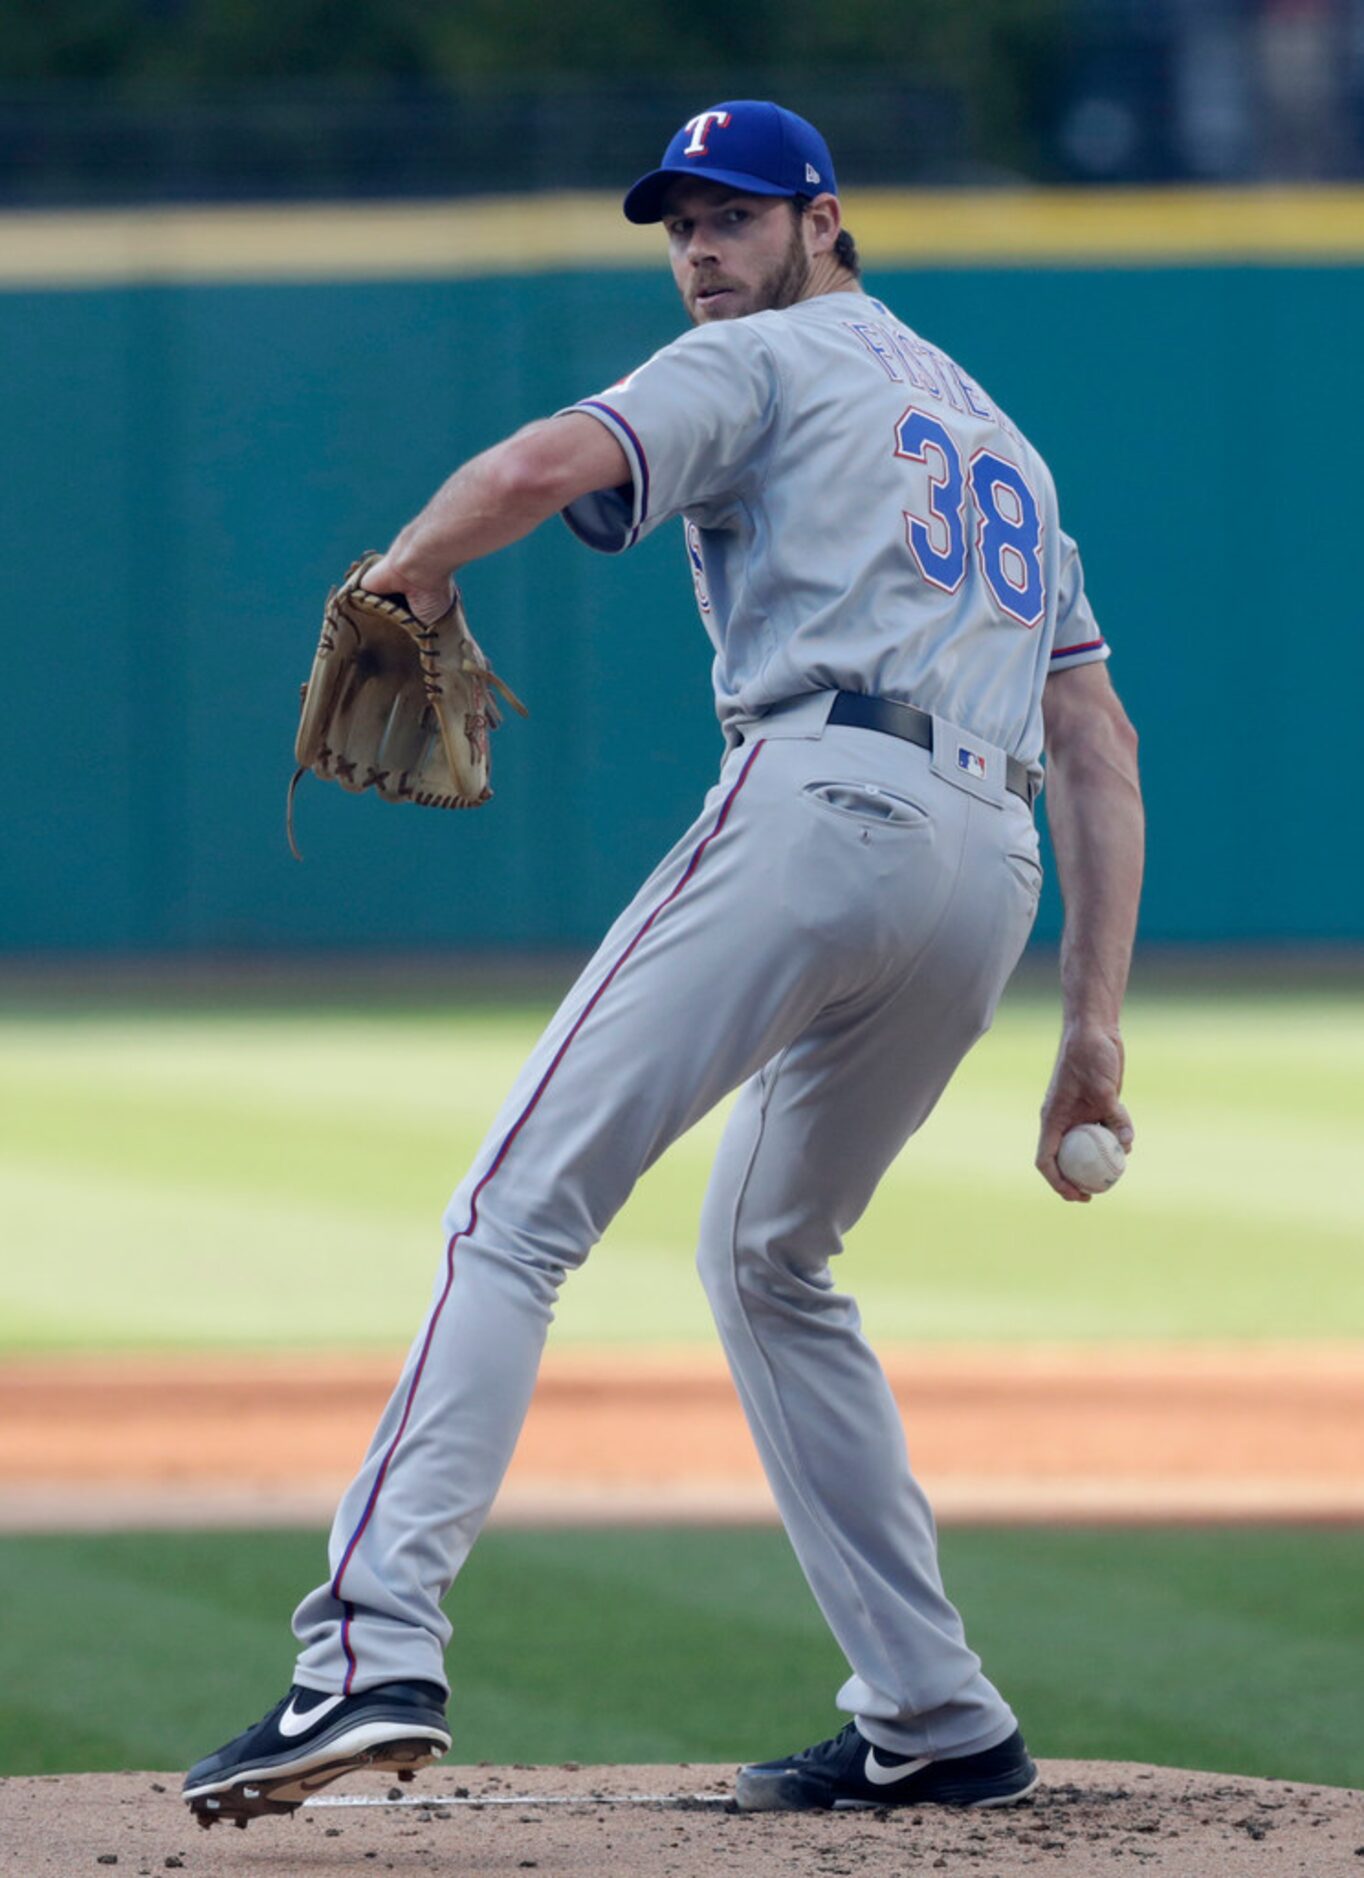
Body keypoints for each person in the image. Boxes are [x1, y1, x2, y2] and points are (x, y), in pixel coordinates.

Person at [184, 100, 1144, 1825]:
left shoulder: (761, 361)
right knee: (774, 1257)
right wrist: (1092, 1031)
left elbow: (548, 463)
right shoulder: (998, 436)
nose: (701, 250)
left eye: (736, 215)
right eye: (681, 223)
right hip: (985, 868)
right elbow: (1095, 742)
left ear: (823, 222)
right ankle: (936, 1710)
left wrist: (400, 571)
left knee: (514, 1207)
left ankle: (368, 1649)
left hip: (823, 797)